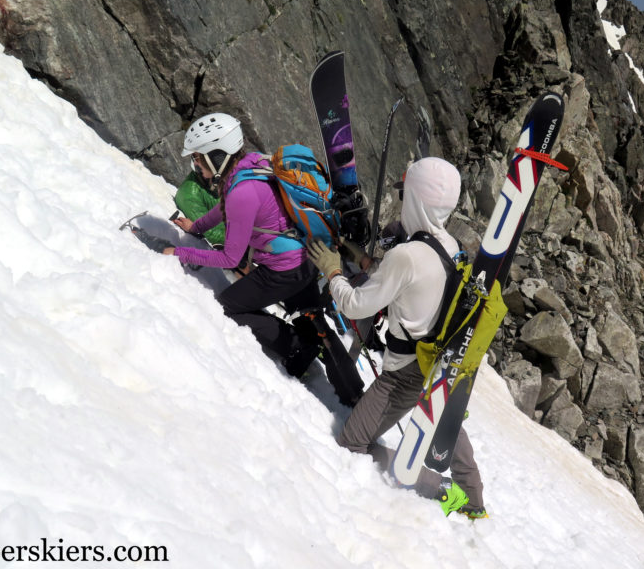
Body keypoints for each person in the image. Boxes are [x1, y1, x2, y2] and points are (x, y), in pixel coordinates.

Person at [306, 157, 487, 519]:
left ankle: (447, 492)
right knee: (443, 416)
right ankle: (474, 496)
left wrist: (334, 270)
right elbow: (419, 286)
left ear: (417, 199)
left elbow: (356, 305)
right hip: (435, 363)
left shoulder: (405, 255)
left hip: (402, 373)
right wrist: (369, 264)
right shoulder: (451, 246)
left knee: (352, 442)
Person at [161, 112, 326, 380]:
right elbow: (225, 207)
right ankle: (309, 340)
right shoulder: (253, 163)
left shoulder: (241, 191)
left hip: (285, 269)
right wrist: (197, 228)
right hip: (302, 258)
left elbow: (229, 258)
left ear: (217, 156)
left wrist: (179, 251)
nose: (196, 167)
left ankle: (297, 347)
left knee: (228, 306)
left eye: (197, 158)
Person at [174, 149, 225, 245]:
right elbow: (213, 234)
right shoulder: (190, 194)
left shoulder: (225, 175)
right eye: (195, 157)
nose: (196, 161)